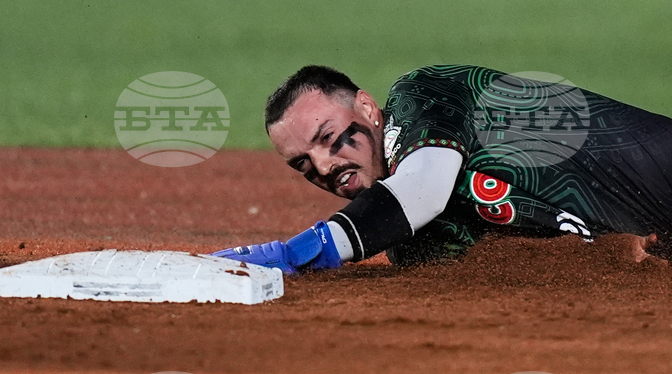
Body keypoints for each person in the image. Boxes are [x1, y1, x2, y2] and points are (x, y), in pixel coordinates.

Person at [214, 64, 672, 271]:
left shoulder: (422, 96)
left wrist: (302, 251)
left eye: (328, 137)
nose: (324, 165)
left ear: (368, 108)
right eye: (303, 165)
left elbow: (424, 187)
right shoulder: (412, 242)